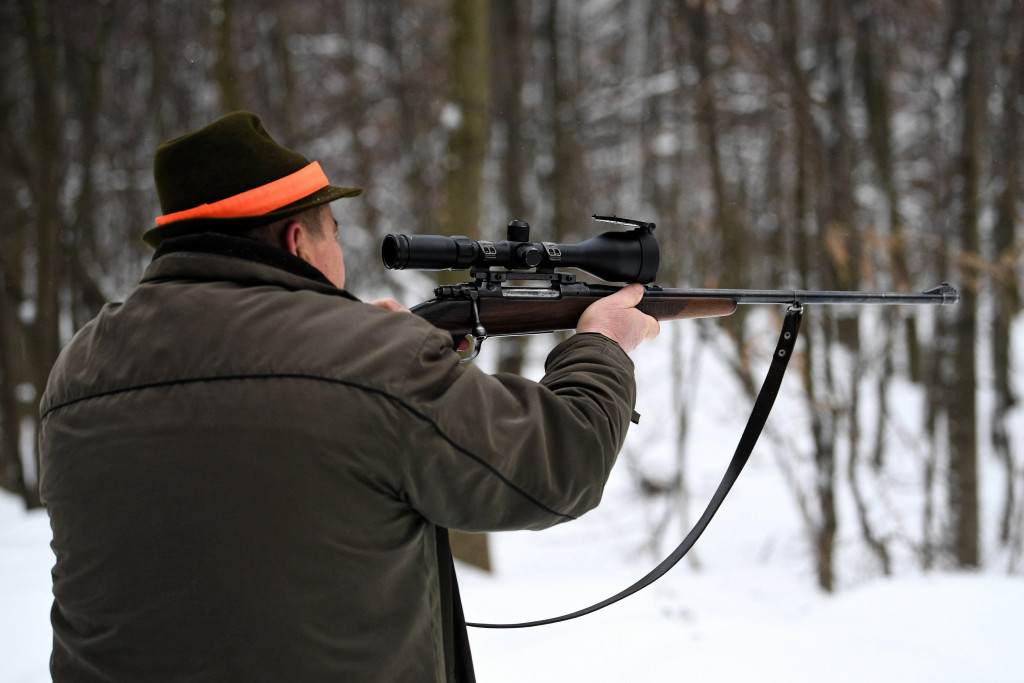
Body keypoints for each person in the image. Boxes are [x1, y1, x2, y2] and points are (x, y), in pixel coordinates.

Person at [38, 111, 659, 682]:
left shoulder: (81, 367)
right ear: (296, 242)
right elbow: (559, 466)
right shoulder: (371, 360)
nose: (339, 253)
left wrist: (371, 355)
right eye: (331, 233)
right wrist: (603, 343)